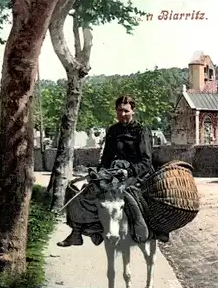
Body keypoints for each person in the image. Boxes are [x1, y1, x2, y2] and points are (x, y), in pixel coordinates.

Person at [57, 95, 153, 247]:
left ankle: (140, 230)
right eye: (119, 111)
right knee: (85, 189)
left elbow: (146, 162)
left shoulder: (141, 131)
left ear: (133, 111)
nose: (122, 114)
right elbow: (107, 158)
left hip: (136, 173)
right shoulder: (113, 130)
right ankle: (77, 233)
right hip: (113, 171)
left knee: (122, 194)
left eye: (126, 111)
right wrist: (99, 172)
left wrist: (129, 171)